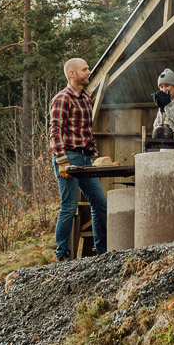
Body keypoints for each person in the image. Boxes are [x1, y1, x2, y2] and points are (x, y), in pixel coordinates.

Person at [48, 57, 107, 261]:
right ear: (72, 74)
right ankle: (62, 253)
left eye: (88, 69)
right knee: (69, 205)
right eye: (85, 69)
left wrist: (93, 155)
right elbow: (55, 132)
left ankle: (102, 252)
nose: (88, 72)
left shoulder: (85, 99)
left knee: (100, 203)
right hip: (68, 158)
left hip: (84, 159)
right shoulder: (62, 98)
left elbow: (86, 132)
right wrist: (62, 160)